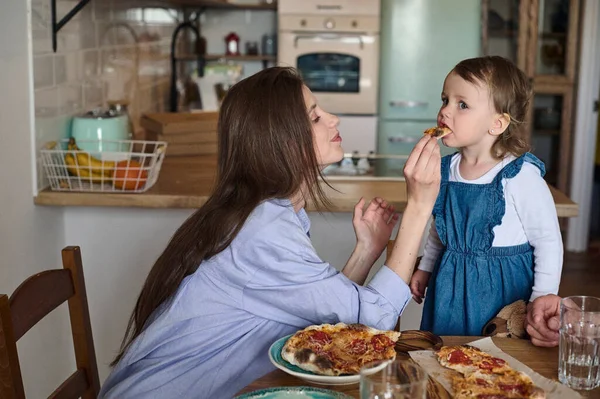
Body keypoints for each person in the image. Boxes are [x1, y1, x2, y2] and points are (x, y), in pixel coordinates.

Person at [99, 67, 441, 399]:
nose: (333, 119)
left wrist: (366, 250)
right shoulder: (262, 230)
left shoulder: (271, 213)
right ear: (283, 142)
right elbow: (376, 320)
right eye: (315, 117)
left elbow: (319, 321)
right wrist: (420, 205)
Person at [409, 56, 564, 336]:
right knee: (447, 354)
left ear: (497, 123)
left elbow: (548, 242)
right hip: (450, 288)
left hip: (502, 293)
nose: (444, 112)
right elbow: (440, 229)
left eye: (462, 105)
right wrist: (426, 267)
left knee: (498, 365)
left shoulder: (520, 175)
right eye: (445, 100)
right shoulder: (445, 171)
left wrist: (541, 297)